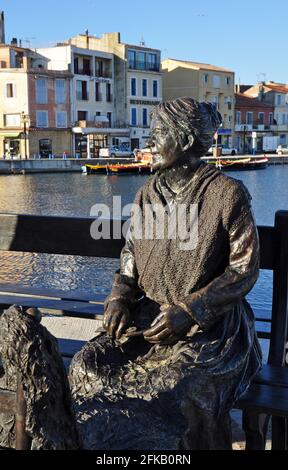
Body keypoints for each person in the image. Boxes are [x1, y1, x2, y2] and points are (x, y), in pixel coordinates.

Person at [68, 97, 262, 450]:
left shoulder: (227, 195)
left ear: (186, 142)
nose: (150, 144)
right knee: (87, 365)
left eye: (159, 134)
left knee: (172, 388)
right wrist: (119, 299)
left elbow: (244, 269)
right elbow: (131, 257)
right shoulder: (146, 195)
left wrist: (190, 310)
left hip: (211, 331)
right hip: (148, 321)